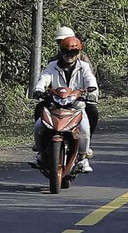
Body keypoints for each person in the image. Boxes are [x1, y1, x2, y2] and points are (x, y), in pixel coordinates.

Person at [32, 27, 99, 174]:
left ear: (78, 50)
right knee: (38, 125)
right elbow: (45, 77)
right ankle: (40, 152)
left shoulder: (84, 65)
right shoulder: (52, 64)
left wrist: (92, 92)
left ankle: (82, 157)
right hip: (55, 104)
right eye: (65, 49)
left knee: (85, 127)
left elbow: (90, 80)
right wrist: (39, 89)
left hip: (76, 105)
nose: (69, 54)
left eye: (73, 52)